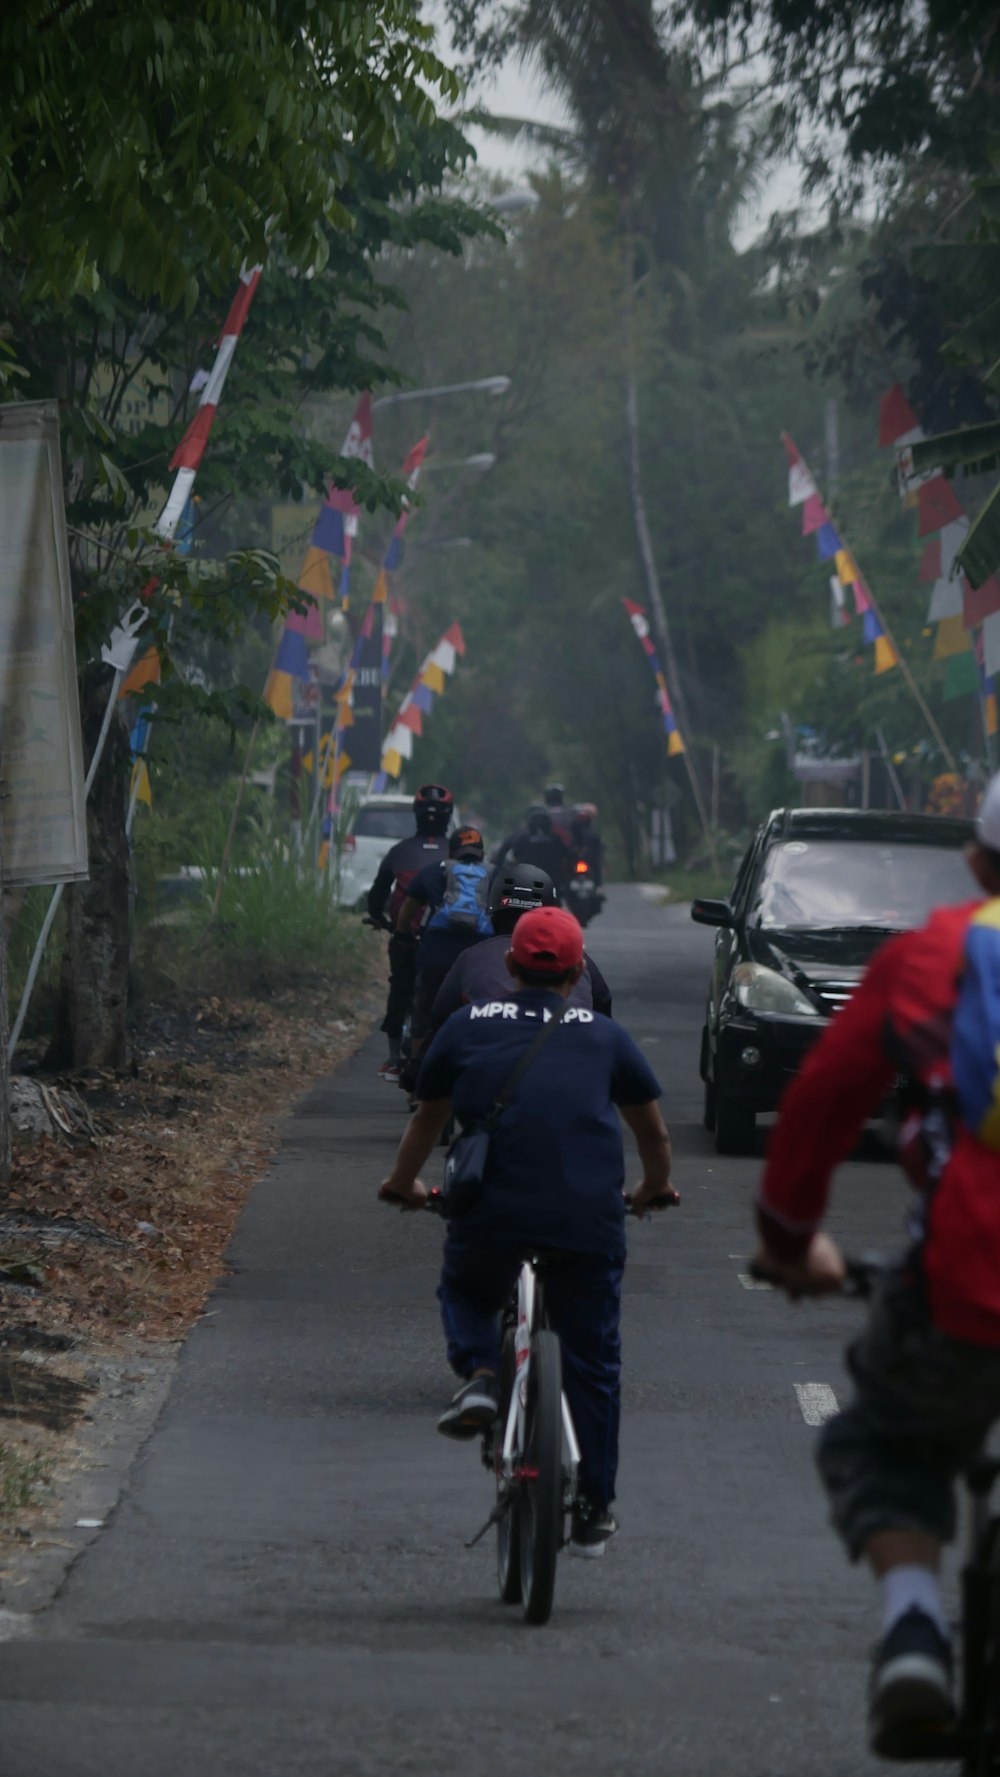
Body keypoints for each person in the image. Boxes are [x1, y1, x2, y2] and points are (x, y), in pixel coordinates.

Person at [753, 777, 1000, 1758]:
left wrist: (787, 1245)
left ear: (975, 862)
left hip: (963, 1287)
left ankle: (909, 1628)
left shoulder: (927, 959)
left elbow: (815, 1109)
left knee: (879, 1442)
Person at [378, 905, 677, 1555]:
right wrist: (652, 1188)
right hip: (587, 1220)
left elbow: (428, 1118)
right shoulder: (603, 1035)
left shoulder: (466, 1024)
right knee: (594, 1361)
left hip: (489, 1214)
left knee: (466, 1285)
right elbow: (652, 1133)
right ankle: (594, 1505)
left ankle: (483, 1372)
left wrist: (404, 1183)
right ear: (578, 972)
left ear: (511, 966)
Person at [428, 862, 613, 1033]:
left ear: (511, 963)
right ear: (576, 972)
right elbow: (604, 1005)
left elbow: (439, 1018)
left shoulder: (470, 958)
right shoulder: (574, 956)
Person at [367, 784, 452, 1081]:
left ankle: (392, 1058)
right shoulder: (455, 853)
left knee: (400, 988)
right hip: (446, 940)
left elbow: (378, 893)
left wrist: (376, 916)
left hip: (406, 938)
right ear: (449, 816)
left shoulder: (399, 851)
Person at [395, 826, 493, 1076]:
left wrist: (403, 934)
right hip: (479, 959)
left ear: (451, 852)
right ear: (481, 853)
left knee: (424, 1017)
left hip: (436, 954)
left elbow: (407, 910)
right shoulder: (496, 874)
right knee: (484, 1017)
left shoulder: (432, 871)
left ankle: (416, 1086)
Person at [494, 805, 571, 897]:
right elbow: (566, 859)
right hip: (552, 884)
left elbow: (514, 858)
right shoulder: (556, 840)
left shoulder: (522, 839)